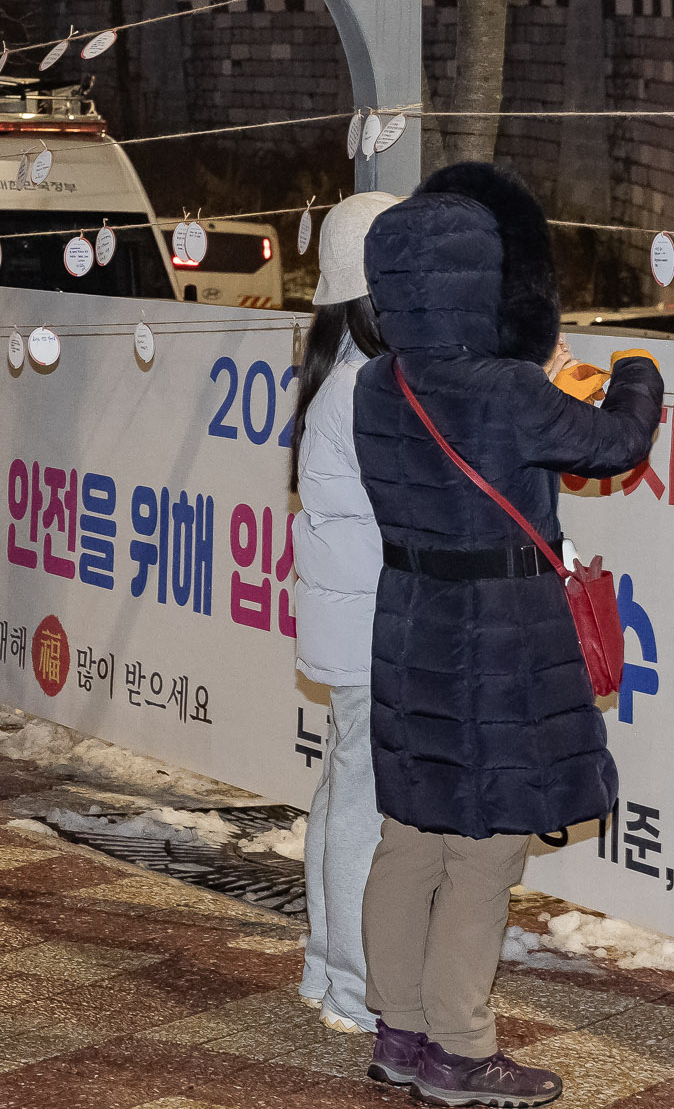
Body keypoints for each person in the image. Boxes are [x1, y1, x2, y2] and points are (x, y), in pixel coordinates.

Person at [353, 163, 663, 1107]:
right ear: (482, 278)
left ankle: (399, 1032)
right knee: (486, 851)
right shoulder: (503, 389)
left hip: (409, 622)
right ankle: (459, 1047)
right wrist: (639, 374)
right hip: (497, 640)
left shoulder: (378, 384)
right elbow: (615, 443)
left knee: (411, 836)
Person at [286, 191, 399, 1038]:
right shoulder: (368, 391)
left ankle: (327, 964)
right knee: (361, 800)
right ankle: (355, 981)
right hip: (370, 629)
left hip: (348, 626)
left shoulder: (333, 377)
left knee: (340, 790)